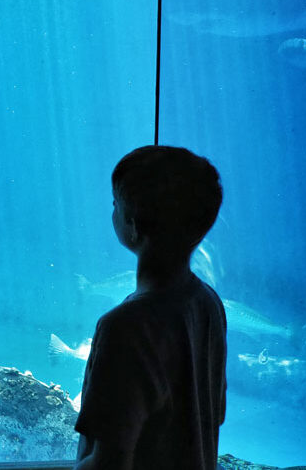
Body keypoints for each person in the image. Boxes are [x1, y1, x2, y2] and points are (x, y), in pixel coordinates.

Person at [74, 145, 227, 470]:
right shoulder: (209, 305)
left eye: (115, 204)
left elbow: (109, 461)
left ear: (132, 225)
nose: (111, 211)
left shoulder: (125, 327)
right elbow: (215, 415)